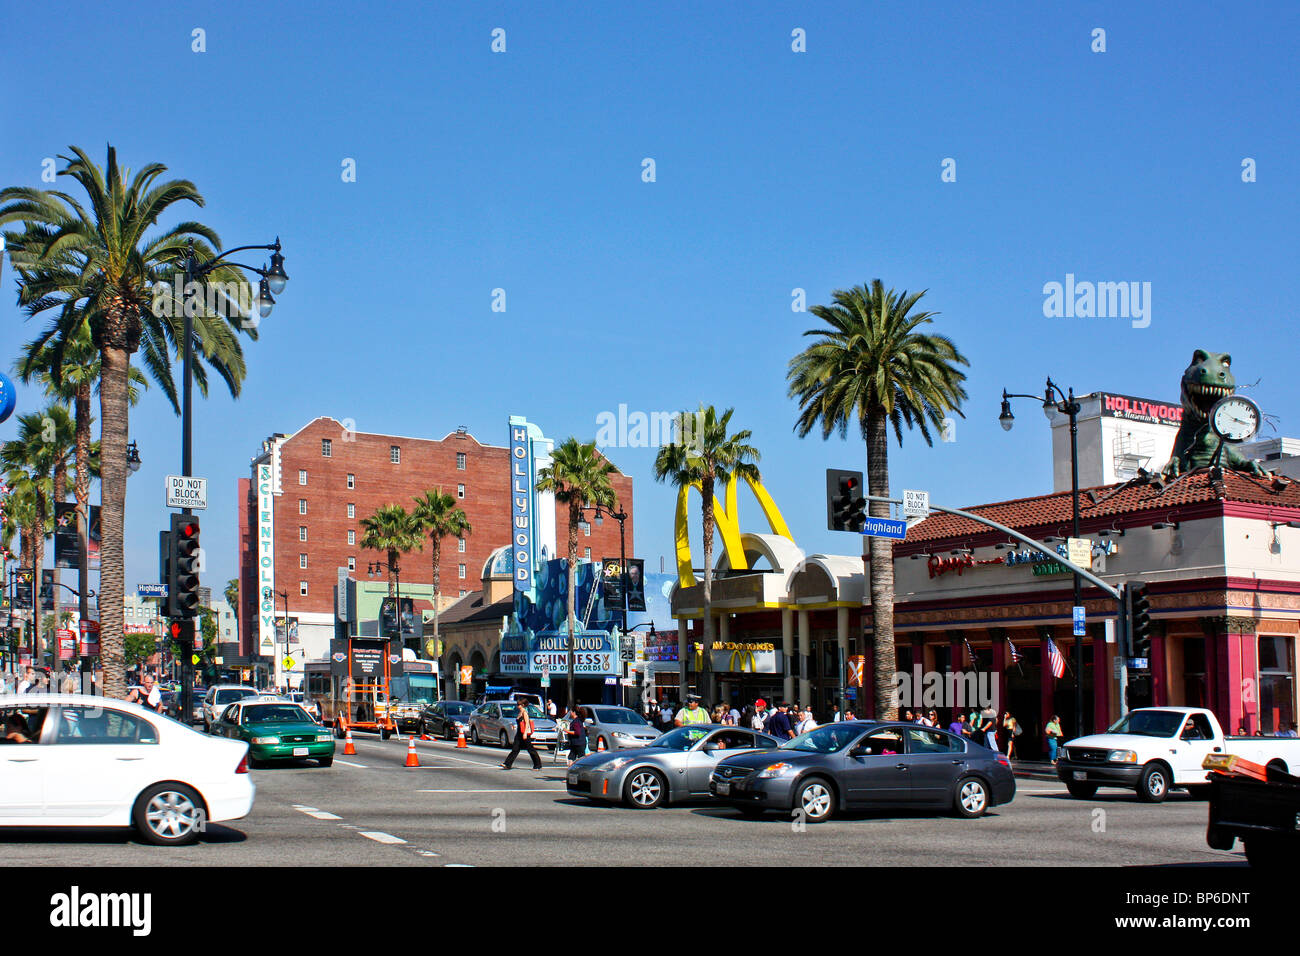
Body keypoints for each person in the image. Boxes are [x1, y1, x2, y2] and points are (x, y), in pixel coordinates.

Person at [501, 702, 543, 770]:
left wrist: (525, 733)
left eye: (519, 704)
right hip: (519, 733)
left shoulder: (524, 713)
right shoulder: (520, 712)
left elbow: (527, 723)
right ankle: (507, 764)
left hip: (524, 733)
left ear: (523, 705)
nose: (517, 706)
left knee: (530, 749)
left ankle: (538, 764)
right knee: (515, 749)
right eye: (517, 704)